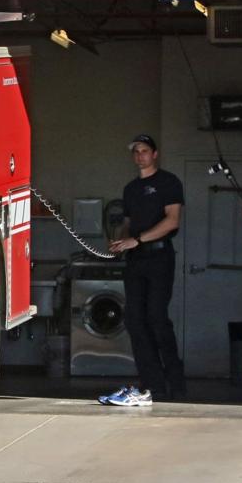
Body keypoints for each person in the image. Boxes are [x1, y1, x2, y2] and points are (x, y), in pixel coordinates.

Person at [101, 134, 186, 407]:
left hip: (160, 256)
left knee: (157, 317)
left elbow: (172, 221)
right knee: (135, 320)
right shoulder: (130, 189)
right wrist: (121, 241)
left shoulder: (168, 182)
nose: (140, 156)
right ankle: (152, 384)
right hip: (136, 259)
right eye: (136, 151)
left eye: (144, 151)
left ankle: (175, 381)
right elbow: (128, 224)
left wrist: (137, 240)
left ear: (155, 154)